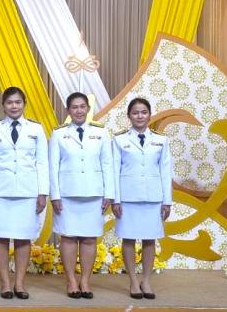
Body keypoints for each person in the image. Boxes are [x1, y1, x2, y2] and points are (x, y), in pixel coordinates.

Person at [0, 87, 48, 300]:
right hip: (0, 192)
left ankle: (19, 283)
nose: (14, 106)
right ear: (3, 105)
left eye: (18, 102)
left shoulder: (36, 129)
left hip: (28, 192)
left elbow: (42, 163)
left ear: (24, 104)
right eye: (10, 102)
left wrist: (42, 192)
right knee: (0, 237)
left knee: (23, 238)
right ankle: (5, 283)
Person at [48, 91, 114, 300]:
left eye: (82, 106)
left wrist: (109, 193)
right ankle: (71, 281)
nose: (79, 110)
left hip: (94, 194)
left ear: (88, 108)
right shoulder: (59, 134)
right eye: (74, 107)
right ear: (68, 110)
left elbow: (107, 164)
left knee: (89, 239)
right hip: (67, 195)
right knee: (68, 237)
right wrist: (55, 196)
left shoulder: (101, 133)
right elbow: (52, 167)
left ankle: (85, 280)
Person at [112, 97, 173, 300]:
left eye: (144, 112)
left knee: (149, 239)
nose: (140, 116)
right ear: (129, 116)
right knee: (128, 239)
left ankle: (146, 280)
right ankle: (132, 280)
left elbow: (165, 171)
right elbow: (114, 171)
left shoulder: (161, 140)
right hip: (128, 197)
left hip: (153, 197)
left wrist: (167, 201)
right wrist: (116, 200)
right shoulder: (119, 140)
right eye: (136, 112)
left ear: (149, 115)